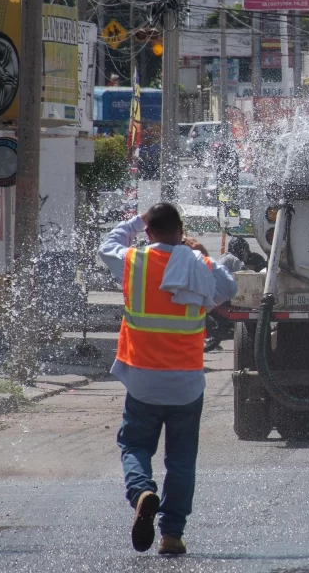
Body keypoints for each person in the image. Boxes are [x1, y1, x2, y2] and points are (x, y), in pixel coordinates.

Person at [99, 203, 237, 556]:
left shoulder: (133, 262)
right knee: (181, 461)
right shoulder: (197, 266)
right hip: (186, 383)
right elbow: (228, 286)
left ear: (148, 231)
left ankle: (143, 491)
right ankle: (171, 535)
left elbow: (108, 244)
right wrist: (195, 255)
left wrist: (136, 220)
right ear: (180, 230)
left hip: (142, 379)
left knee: (135, 446)